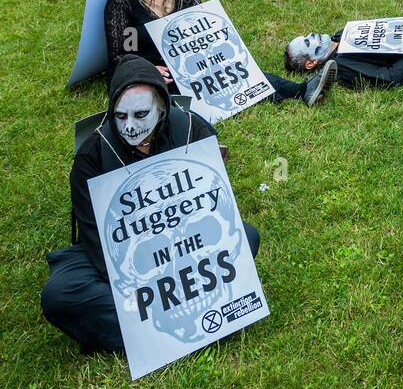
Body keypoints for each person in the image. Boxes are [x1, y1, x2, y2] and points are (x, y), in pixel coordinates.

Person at [40, 58, 263, 358]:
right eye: (120, 116)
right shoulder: (92, 156)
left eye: (141, 114)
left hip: (189, 250)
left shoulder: (192, 130)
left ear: (162, 107)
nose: (130, 126)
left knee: (247, 238)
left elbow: (216, 210)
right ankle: (158, 331)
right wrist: (143, 285)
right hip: (121, 257)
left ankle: (143, 328)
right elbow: (96, 242)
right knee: (60, 295)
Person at [104, 0, 335, 106]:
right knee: (171, 102)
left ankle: (302, 89)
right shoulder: (123, 0)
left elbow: (203, 29)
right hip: (149, 73)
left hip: (190, 63)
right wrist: (149, 69)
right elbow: (120, 55)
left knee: (239, 74)